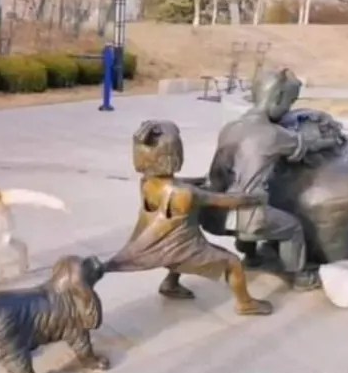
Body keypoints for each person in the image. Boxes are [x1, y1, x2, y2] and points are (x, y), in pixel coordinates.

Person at [105, 120, 273, 316]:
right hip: (182, 249)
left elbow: (177, 184)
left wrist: (200, 180)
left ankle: (170, 283)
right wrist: (254, 199)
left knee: (178, 251)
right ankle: (246, 303)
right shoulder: (185, 193)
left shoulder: (146, 183)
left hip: (165, 246)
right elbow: (225, 201)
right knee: (233, 263)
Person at [204, 68, 341, 290]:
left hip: (215, 213)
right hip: (249, 217)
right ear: (277, 98)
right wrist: (330, 141)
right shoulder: (274, 135)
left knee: (249, 204)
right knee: (292, 227)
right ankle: (299, 277)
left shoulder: (230, 128)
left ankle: (251, 255)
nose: (289, 109)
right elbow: (307, 145)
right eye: (289, 102)